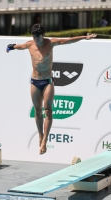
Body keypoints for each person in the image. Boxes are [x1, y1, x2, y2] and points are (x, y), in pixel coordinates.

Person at [6, 24, 97, 155]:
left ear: (43, 35)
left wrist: (84, 37)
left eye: (38, 36)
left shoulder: (51, 43)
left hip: (47, 81)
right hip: (35, 82)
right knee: (37, 110)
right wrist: (11, 46)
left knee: (48, 109)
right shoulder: (29, 44)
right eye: (34, 36)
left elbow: (69, 40)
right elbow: (19, 46)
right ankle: (40, 135)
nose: (36, 39)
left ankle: (44, 141)